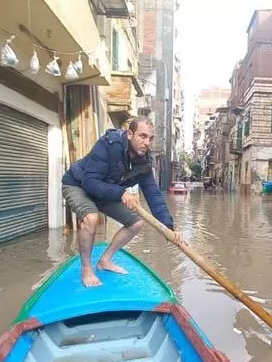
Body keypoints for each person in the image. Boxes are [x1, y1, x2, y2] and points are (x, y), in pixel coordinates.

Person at [62, 116, 184, 287]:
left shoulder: (144, 163)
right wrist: (121, 193)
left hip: (105, 190)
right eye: (142, 136)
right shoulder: (108, 145)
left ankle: (105, 261)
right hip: (78, 183)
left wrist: (168, 228)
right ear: (129, 134)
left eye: (150, 138)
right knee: (91, 218)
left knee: (136, 223)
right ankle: (87, 269)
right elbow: (89, 182)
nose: (147, 142)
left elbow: (154, 196)